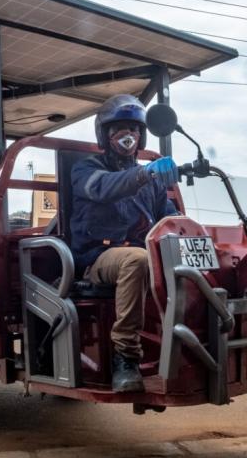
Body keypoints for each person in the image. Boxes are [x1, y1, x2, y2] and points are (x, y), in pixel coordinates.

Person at [70, 94, 179, 393]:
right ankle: (125, 358)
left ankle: (190, 341)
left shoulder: (152, 179)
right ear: (105, 135)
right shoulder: (85, 169)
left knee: (188, 250)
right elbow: (104, 189)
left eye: (133, 129)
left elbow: (167, 217)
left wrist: (185, 228)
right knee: (137, 259)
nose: (127, 135)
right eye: (118, 129)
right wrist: (146, 172)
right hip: (98, 257)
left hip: (140, 252)